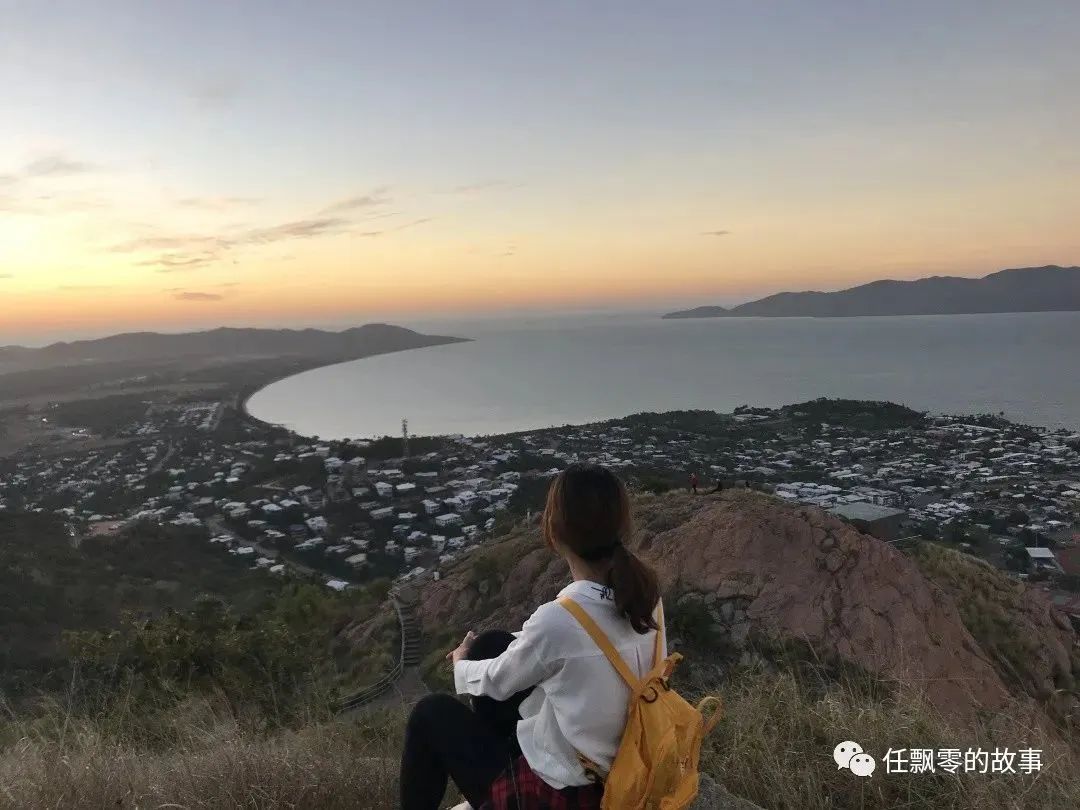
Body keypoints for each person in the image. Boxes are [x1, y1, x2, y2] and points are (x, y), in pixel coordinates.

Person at [399, 463, 664, 810]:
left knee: (429, 713)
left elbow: (496, 680)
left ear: (554, 532)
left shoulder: (561, 619)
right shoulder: (645, 597)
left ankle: (491, 784)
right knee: (492, 644)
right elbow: (570, 647)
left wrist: (461, 664)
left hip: (573, 793)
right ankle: (497, 764)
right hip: (618, 760)